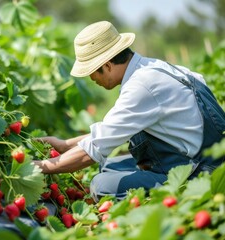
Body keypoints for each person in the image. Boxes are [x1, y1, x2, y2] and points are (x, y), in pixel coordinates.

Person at [33, 21, 225, 201]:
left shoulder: (141, 87)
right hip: (198, 155)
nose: (91, 79)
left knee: (100, 186)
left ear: (107, 65)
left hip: (200, 171)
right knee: (107, 166)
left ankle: (169, 198)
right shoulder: (155, 68)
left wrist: (39, 167)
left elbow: (91, 152)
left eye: (91, 72)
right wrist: (65, 145)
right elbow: (114, 129)